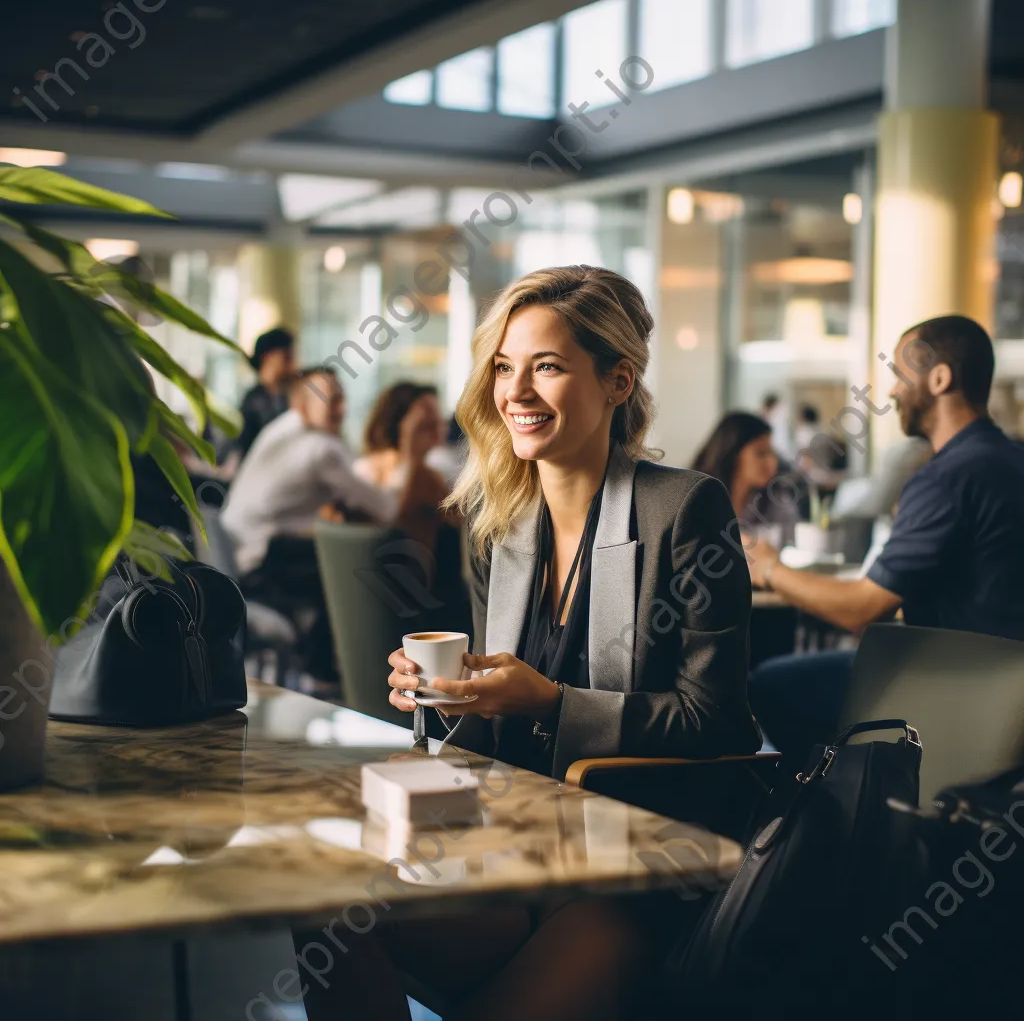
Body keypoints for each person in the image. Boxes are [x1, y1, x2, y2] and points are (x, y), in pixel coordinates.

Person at [294, 266, 761, 1021]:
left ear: (618, 380)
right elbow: (493, 723)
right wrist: (445, 696)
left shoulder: (685, 508)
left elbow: (720, 722)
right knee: (323, 903)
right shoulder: (500, 526)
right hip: (515, 847)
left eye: (547, 367)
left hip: (637, 863)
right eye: (504, 368)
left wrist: (551, 700)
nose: (516, 392)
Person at [746, 314, 1024, 760]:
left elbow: (861, 608)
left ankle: (855, 809)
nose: (892, 391)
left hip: (952, 679)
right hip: (1004, 682)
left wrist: (767, 567)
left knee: (767, 685)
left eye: (898, 374)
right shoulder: (1010, 459)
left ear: (939, 378)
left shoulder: (947, 477)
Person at [221, 368, 436, 681]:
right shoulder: (321, 449)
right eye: (331, 400)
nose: (341, 409)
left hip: (236, 553)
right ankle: (339, 673)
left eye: (342, 399)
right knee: (366, 568)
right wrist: (409, 449)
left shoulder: (281, 429)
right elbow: (388, 510)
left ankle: (328, 667)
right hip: (262, 562)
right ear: (302, 406)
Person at [354, 382, 472, 635]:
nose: (439, 428)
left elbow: (461, 521)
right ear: (400, 424)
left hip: (404, 592)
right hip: (403, 595)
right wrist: (410, 452)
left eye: (438, 420)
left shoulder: (428, 474)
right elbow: (390, 518)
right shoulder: (375, 470)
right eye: (426, 423)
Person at [692, 411, 800, 546]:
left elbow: (793, 547)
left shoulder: (776, 500)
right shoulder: (695, 500)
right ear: (731, 453)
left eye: (772, 453)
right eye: (761, 453)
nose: (772, 462)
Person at [235, 327, 296, 459]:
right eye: (286, 357)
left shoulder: (290, 398)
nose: (293, 365)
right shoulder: (253, 402)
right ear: (267, 357)